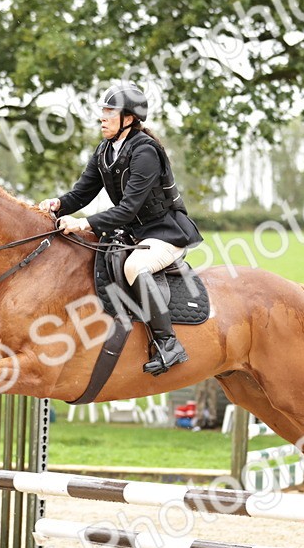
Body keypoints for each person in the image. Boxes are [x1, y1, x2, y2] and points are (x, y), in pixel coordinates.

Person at [39, 83, 203, 376]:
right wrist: (58, 204)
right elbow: (81, 194)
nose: (102, 117)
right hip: (133, 233)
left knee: (135, 267)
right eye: (102, 111)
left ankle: (169, 344)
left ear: (129, 118)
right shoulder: (105, 150)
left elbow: (128, 208)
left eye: (109, 112)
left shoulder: (145, 152)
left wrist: (83, 223)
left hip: (165, 233)